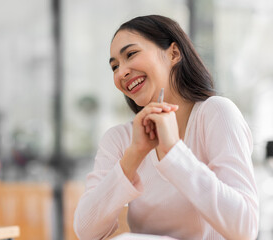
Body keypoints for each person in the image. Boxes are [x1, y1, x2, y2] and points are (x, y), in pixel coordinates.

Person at [74, 15, 259, 240]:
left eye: (130, 54)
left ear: (173, 53)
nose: (121, 73)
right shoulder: (119, 139)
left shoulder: (216, 113)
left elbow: (245, 228)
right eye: (114, 66)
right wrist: (133, 156)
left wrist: (174, 153)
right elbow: (86, 231)